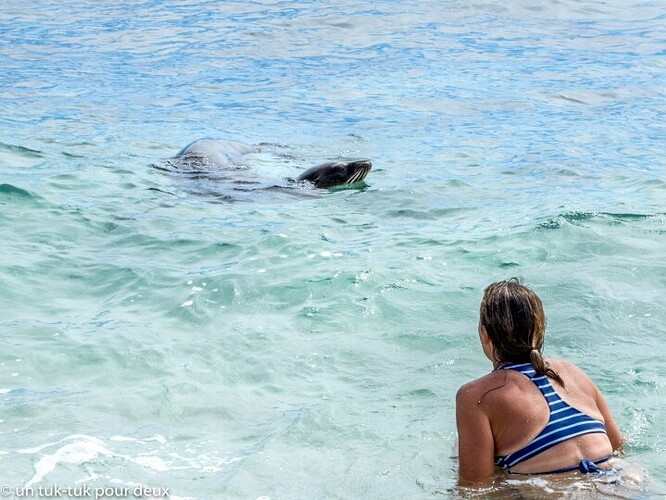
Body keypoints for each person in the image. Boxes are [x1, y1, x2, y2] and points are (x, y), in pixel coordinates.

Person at [456, 278, 624, 486]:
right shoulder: (573, 372)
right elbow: (618, 446)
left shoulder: (476, 396)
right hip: (625, 481)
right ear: (539, 330)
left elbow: (476, 486)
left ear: (485, 335)